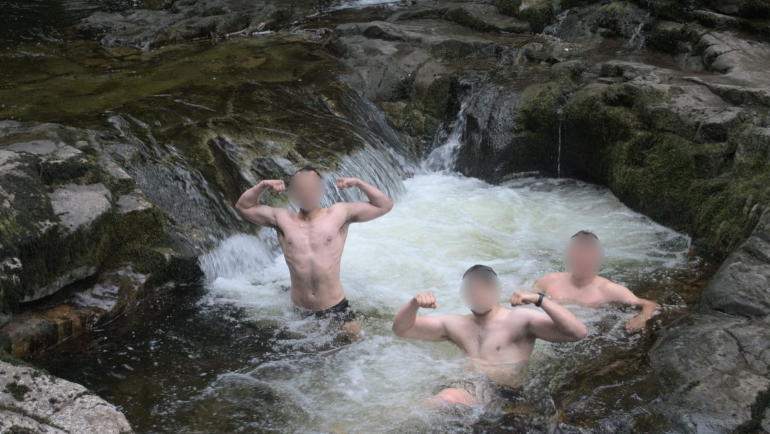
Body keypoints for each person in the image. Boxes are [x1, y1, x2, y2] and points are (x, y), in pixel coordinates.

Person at [392, 264, 587, 406]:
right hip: (464, 386)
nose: (478, 295)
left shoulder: (519, 320)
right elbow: (402, 329)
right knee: (414, 405)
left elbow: (577, 332)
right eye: (472, 290)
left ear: (495, 289)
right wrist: (414, 304)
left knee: (443, 401)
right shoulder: (456, 324)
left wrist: (539, 299)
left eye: (483, 288)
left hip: (503, 394)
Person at [235, 167, 394, 334]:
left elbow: (384, 205)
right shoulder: (282, 219)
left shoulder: (339, 213)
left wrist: (359, 183)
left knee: (356, 349)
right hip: (300, 312)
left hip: (336, 307)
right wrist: (263, 185)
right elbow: (243, 207)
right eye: (301, 188)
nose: (306, 192)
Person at [534, 230, 659, 330]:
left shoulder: (608, 289)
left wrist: (642, 318)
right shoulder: (550, 280)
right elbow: (527, 296)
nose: (583, 258)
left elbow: (649, 304)